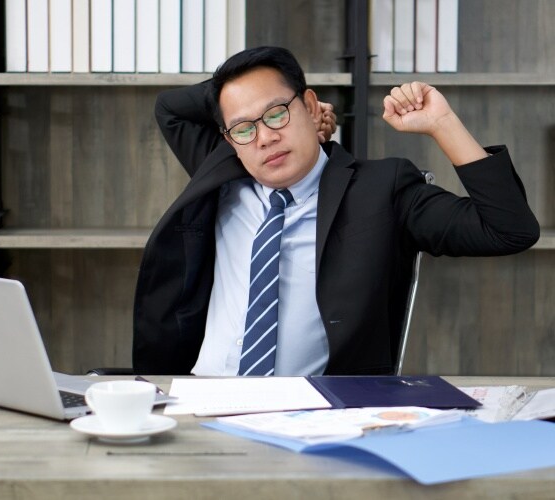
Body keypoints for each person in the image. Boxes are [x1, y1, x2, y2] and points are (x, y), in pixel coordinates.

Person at [133, 46, 539, 376]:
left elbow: (508, 230)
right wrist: (239, 99)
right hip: (200, 402)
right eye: (244, 127)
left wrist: (443, 123)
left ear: (310, 105)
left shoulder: (382, 190)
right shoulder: (224, 172)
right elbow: (170, 107)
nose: (265, 138)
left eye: (277, 113)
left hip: (315, 416)